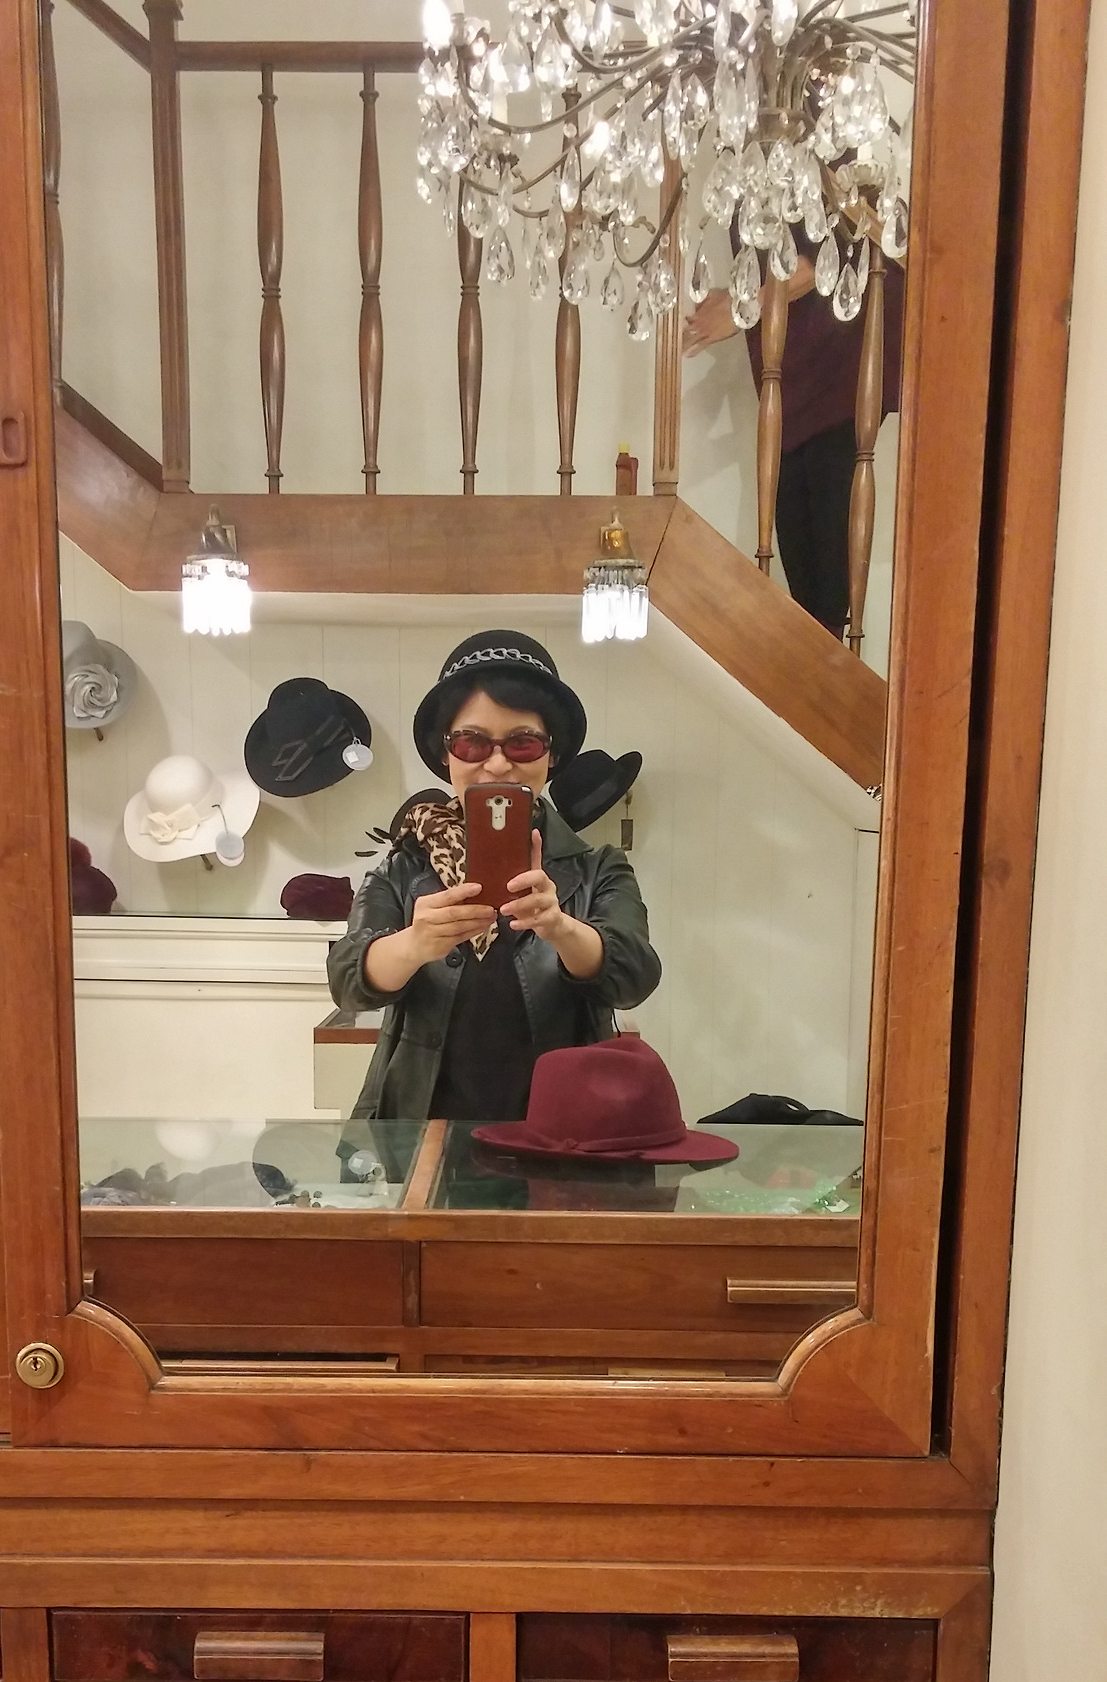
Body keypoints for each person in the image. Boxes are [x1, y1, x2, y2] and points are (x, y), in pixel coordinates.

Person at [327, 632, 661, 1124]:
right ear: (446, 753)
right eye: (472, 742)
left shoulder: (598, 868)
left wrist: (562, 929)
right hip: (417, 1131)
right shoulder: (403, 866)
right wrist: (414, 943)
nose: (499, 762)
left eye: (523, 742)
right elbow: (347, 982)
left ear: (552, 754)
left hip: (562, 1131)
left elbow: (633, 980)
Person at [684, 236, 904, 638]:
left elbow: (824, 254)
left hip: (840, 364)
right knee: (805, 581)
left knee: (824, 582)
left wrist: (740, 307)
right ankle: (819, 661)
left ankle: (829, 665)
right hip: (792, 378)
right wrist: (735, 298)